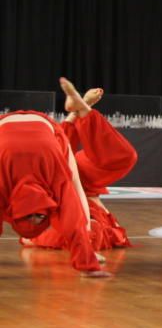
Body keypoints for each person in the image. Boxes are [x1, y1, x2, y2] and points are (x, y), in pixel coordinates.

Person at [0, 78, 111, 278]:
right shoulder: (51, 181)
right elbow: (75, 212)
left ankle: (76, 112)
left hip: (31, 134)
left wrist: (89, 260)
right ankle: (76, 111)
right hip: (34, 131)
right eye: (39, 216)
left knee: (78, 182)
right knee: (74, 189)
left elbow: (75, 207)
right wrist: (88, 263)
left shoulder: (5, 185)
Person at [23, 84, 137, 251]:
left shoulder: (64, 224)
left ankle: (82, 108)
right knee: (123, 158)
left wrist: (33, 238)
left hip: (70, 181)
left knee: (122, 158)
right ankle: (82, 108)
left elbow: (32, 236)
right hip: (80, 179)